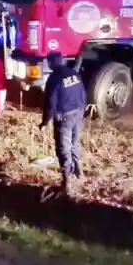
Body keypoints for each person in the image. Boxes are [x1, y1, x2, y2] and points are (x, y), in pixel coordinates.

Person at [38, 53, 87, 195]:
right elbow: (83, 93)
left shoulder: (54, 78)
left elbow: (50, 103)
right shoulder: (73, 73)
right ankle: (79, 172)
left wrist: (45, 122)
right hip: (78, 113)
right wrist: (82, 111)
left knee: (63, 149)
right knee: (75, 144)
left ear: (51, 63)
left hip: (64, 118)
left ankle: (67, 183)